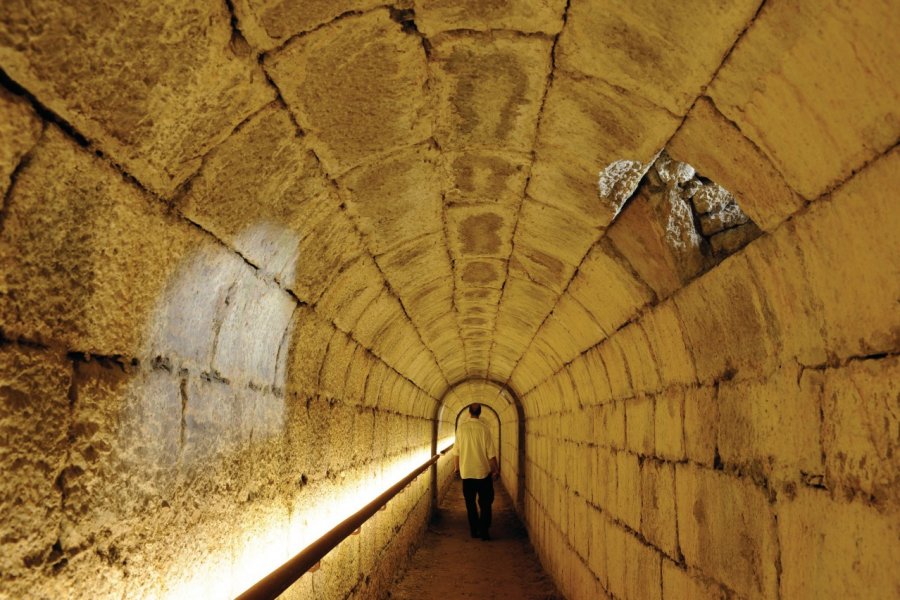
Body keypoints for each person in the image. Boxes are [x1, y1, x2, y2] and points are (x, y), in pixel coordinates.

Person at [454, 403, 499, 541]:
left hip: (467, 473)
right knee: (485, 503)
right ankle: (484, 531)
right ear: (480, 413)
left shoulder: (461, 429)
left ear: (469, 412)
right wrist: (495, 469)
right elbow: (491, 453)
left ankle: (474, 530)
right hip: (483, 473)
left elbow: (456, 451)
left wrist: (457, 468)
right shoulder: (485, 429)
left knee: (470, 503)